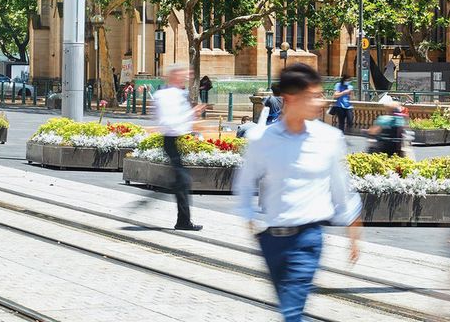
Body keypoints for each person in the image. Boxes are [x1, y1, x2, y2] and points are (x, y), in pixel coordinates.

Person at [234, 63, 361, 322]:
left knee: (291, 313)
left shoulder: (329, 138)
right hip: (271, 241)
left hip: (308, 239)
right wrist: (249, 217)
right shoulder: (262, 139)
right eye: (313, 96)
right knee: (291, 310)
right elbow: (245, 183)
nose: (321, 102)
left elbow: (342, 189)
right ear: (290, 98)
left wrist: (353, 234)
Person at [154, 63, 206, 231]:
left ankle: (183, 220)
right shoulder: (165, 96)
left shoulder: (178, 94)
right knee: (183, 180)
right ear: (174, 76)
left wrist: (193, 118)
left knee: (182, 180)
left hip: (176, 140)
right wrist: (192, 114)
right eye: (183, 74)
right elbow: (168, 122)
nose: (186, 77)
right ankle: (183, 221)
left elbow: (181, 122)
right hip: (170, 141)